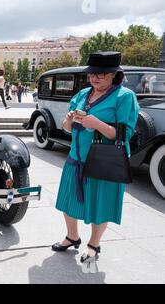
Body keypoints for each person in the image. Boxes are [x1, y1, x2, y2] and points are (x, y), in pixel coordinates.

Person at [52, 51, 139, 264]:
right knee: (67, 200)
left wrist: (96, 123)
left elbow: (125, 134)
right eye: (92, 74)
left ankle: (93, 244)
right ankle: (72, 237)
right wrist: (70, 121)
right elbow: (69, 130)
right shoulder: (82, 95)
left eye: (100, 74)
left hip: (104, 162)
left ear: (113, 75)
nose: (94, 78)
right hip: (76, 157)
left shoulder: (124, 96)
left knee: (101, 205)